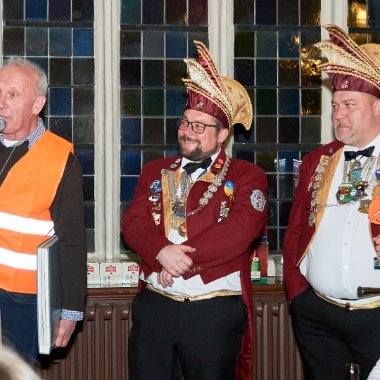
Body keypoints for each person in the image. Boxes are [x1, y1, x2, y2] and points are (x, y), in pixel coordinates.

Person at [122, 41, 267, 380]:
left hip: (212, 313)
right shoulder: (155, 169)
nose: (187, 131)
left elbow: (237, 234)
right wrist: (160, 251)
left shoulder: (249, 176)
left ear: (222, 135)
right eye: (185, 122)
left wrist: (177, 261)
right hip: (155, 308)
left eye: (199, 126)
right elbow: (133, 222)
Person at [283, 24, 380, 380]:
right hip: (316, 313)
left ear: (378, 107)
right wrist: (297, 294)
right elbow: (295, 229)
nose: (338, 113)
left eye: (349, 105)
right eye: (336, 105)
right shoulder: (317, 161)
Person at [0, 57, 87, 364]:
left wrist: (71, 308)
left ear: (37, 104)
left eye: (12, 94)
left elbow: (72, 240)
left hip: (22, 302)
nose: (1, 103)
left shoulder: (60, 158)